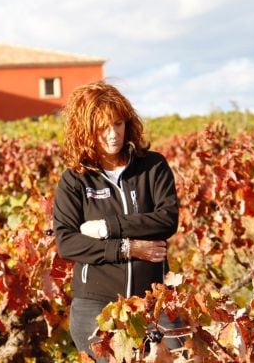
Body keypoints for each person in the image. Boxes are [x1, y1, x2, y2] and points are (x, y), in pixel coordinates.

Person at [52, 81, 182, 361]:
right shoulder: (74, 180)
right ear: (85, 131)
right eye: (103, 128)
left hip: (154, 302)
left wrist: (107, 228)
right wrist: (129, 248)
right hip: (95, 307)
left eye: (118, 124)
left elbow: (166, 220)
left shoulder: (153, 167)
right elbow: (68, 243)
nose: (113, 135)